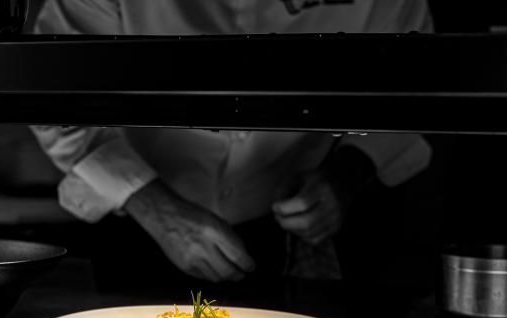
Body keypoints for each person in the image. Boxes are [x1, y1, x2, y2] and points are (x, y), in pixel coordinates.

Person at [31, 0, 433, 296]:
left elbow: (414, 93)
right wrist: (157, 210)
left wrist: (347, 174)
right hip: (139, 222)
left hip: (290, 234)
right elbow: (53, 98)